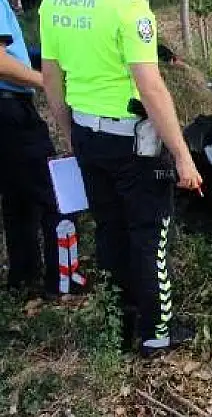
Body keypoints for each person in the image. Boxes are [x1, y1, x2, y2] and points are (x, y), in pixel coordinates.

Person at [38, 0, 203, 356]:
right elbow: (150, 87)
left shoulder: (52, 5)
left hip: (86, 133)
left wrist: (70, 134)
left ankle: (120, 324)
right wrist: (182, 156)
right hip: (133, 142)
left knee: (109, 229)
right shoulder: (129, 9)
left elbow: (51, 78)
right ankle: (157, 331)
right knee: (149, 233)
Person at [0, 0, 84, 299]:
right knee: (58, 194)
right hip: (10, 109)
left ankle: (23, 279)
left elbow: (17, 54)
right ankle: (63, 282)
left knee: (18, 199)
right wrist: (47, 81)